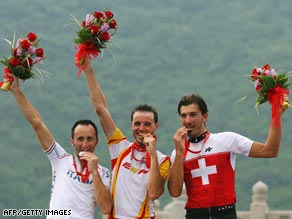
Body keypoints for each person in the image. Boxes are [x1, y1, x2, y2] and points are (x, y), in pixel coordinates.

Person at [6, 74, 113, 219]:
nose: (85, 144)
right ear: (72, 142)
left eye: (89, 139)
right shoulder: (60, 158)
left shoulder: (104, 173)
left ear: (96, 142)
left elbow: (106, 208)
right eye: (80, 139)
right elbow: (37, 123)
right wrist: (16, 91)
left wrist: (94, 171)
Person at [167, 94, 289, 219]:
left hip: (225, 214)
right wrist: (180, 154)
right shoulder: (177, 153)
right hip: (194, 215)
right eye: (183, 116)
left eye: (193, 115)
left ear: (205, 116)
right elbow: (175, 192)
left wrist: (276, 116)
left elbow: (270, 151)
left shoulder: (226, 139)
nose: (187, 121)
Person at [82, 58, 171, 219]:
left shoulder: (163, 160)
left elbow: (154, 192)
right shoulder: (119, 146)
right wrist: (88, 69)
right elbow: (101, 109)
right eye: (137, 123)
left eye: (147, 124)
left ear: (156, 126)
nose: (141, 128)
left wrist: (152, 155)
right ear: (131, 125)